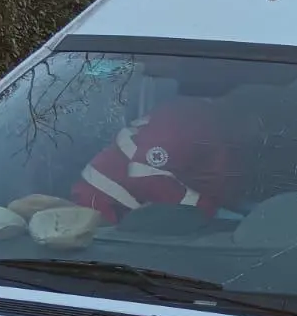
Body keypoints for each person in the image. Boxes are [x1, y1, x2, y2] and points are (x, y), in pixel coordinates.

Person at [71, 95, 233, 223]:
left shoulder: (206, 119)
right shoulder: (189, 116)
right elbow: (147, 176)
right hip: (101, 216)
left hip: (119, 217)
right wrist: (206, 210)